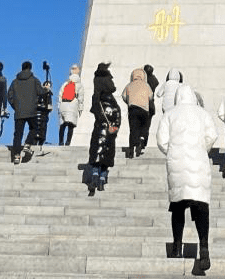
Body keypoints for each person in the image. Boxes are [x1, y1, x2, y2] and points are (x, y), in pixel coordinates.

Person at [155, 84, 217, 275]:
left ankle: (177, 247)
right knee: (201, 206)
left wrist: (173, 152)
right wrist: (201, 149)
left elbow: (161, 140)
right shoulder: (203, 114)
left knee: (178, 207)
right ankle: (204, 247)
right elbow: (212, 136)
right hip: (198, 163)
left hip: (177, 163)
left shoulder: (169, 114)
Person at [86, 63, 121, 195]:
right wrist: (115, 127)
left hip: (99, 129)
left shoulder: (96, 98)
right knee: (106, 157)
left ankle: (94, 174)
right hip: (110, 132)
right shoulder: (112, 101)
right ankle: (102, 178)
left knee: (97, 154)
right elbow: (117, 115)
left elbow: (95, 112)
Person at [7, 60, 40, 163]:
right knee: (34, 128)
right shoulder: (34, 80)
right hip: (31, 111)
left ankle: (16, 156)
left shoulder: (14, 82)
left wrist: (15, 106)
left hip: (19, 111)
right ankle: (28, 144)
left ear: (21, 68)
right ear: (30, 68)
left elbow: (9, 96)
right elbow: (40, 91)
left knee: (18, 134)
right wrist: (47, 89)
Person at [123, 67, 155, 158]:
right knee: (143, 127)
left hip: (133, 109)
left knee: (133, 129)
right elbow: (151, 97)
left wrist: (129, 102)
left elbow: (124, 96)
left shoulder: (129, 85)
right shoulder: (146, 85)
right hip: (144, 109)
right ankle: (140, 141)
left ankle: (131, 149)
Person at [57, 65, 84, 145]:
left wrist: (59, 106)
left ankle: (60, 142)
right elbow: (81, 98)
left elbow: (60, 95)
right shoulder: (79, 85)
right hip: (73, 105)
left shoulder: (65, 83)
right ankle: (68, 142)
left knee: (63, 124)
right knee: (71, 125)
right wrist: (80, 109)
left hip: (63, 104)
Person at [33, 81, 54, 154]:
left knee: (43, 128)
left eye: (49, 85)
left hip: (45, 114)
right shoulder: (40, 92)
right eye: (46, 85)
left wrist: (49, 108)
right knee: (36, 129)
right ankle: (34, 143)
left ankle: (41, 143)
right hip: (38, 113)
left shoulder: (49, 94)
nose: (48, 86)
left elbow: (50, 104)